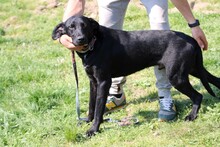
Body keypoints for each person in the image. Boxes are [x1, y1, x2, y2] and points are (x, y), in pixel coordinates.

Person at [59, 0, 208, 121]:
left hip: (170, 44)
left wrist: (193, 23)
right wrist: (64, 34)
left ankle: (165, 96)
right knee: (106, 40)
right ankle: (115, 94)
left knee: (160, 26)